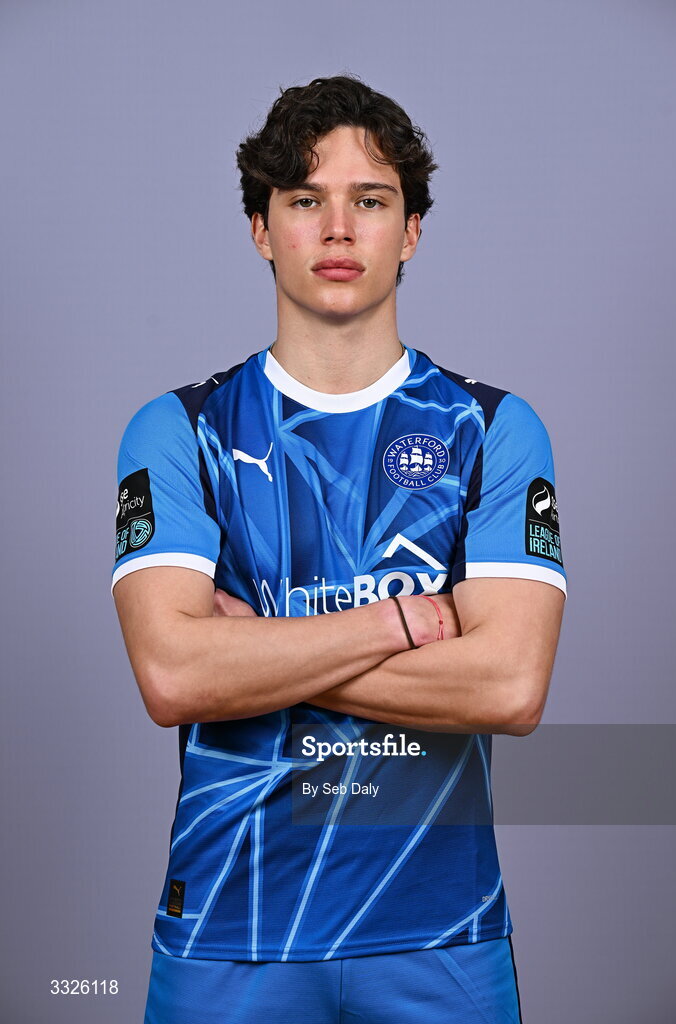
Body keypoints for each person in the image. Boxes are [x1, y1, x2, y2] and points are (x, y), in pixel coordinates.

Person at [112, 73, 566, 1024]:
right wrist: (403, 622)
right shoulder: (177, 431)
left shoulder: (492, 429)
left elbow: (506, 690)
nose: (337, 230)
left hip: (441, 933)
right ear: (259, 226)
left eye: (371, 201)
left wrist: (256, 653)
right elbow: (172, 677)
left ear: (410, 232)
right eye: (304, 201)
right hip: (229, 932)